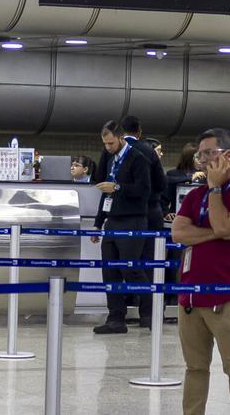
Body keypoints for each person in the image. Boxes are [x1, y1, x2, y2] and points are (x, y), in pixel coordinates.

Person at [171, 128, 230, 415]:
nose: (202, 160)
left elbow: (223, 224)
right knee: (195, 367)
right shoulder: (193, 195)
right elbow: (178, 233)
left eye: (209, 153)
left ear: (229, 156)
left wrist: (215, 189)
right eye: (200, 155)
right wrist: (217, 234)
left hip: (228, 295)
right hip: (190, 296)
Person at [90, 120, 154, 333]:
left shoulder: (138, 158)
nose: (107, 147)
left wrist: (117, 187)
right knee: (109, 270)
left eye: (111, 143)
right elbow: (106, 193)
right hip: (112, 220)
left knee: (131, 268)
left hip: (133, 219)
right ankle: (115, 318)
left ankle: (150, 312)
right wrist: (98, 223)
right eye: (105, 144)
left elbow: (144, 190)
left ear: (121, 138)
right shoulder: (111, 159)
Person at [122, 115, 168, 234]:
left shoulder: (115, 150)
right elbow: (161, 183)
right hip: (149, 208)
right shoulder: (149, 151)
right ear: (139, 131)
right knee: (149, 244)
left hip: (120, 210)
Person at [165, 143, 200, 220]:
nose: (201, 160)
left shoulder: (205, 175)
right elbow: (164, 199)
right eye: (198, 157)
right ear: (189, 158)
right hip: (177, 216)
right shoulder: (173, 174)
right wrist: (166, 213)